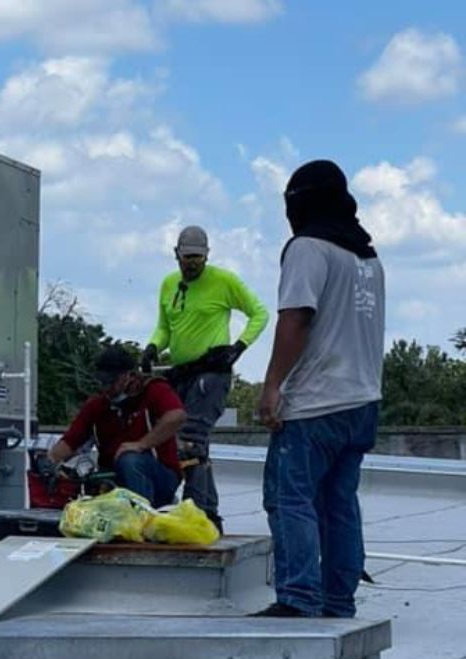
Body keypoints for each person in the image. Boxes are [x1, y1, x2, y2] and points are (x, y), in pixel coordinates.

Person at [254, 159, 385, 618]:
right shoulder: (367, 257)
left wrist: (271, 386)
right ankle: (337, 601)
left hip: (316, 402)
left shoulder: (308, 248)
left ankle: (298, 599)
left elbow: (296, 318)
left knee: (290, 497)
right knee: (339, 504)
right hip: (363, 400)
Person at [141, 225, 269, 532]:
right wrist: (152, 347)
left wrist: (239, 346)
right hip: (181, 373)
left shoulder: (223, 281)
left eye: (198, 258)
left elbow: (260, 313)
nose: (192, 263)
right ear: (177, 255)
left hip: (211, 372)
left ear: (207, 256)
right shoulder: (170, 284)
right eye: (187, 258)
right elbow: (165, 327)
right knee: (177, 439)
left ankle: (196, 509)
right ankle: (207, 512)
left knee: (191, 439)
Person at [38, 345, 187, 507]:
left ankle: (141, 516)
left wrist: (141, 445)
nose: (106, 388)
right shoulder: (96, 406)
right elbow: (71, 441)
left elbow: (176, 416)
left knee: (129, 460)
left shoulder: (153, 390)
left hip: (160, 477)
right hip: (114, 478)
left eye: (111, 382)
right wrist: (49, 461)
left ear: (128, 375)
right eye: (102, 382)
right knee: (95, 479)